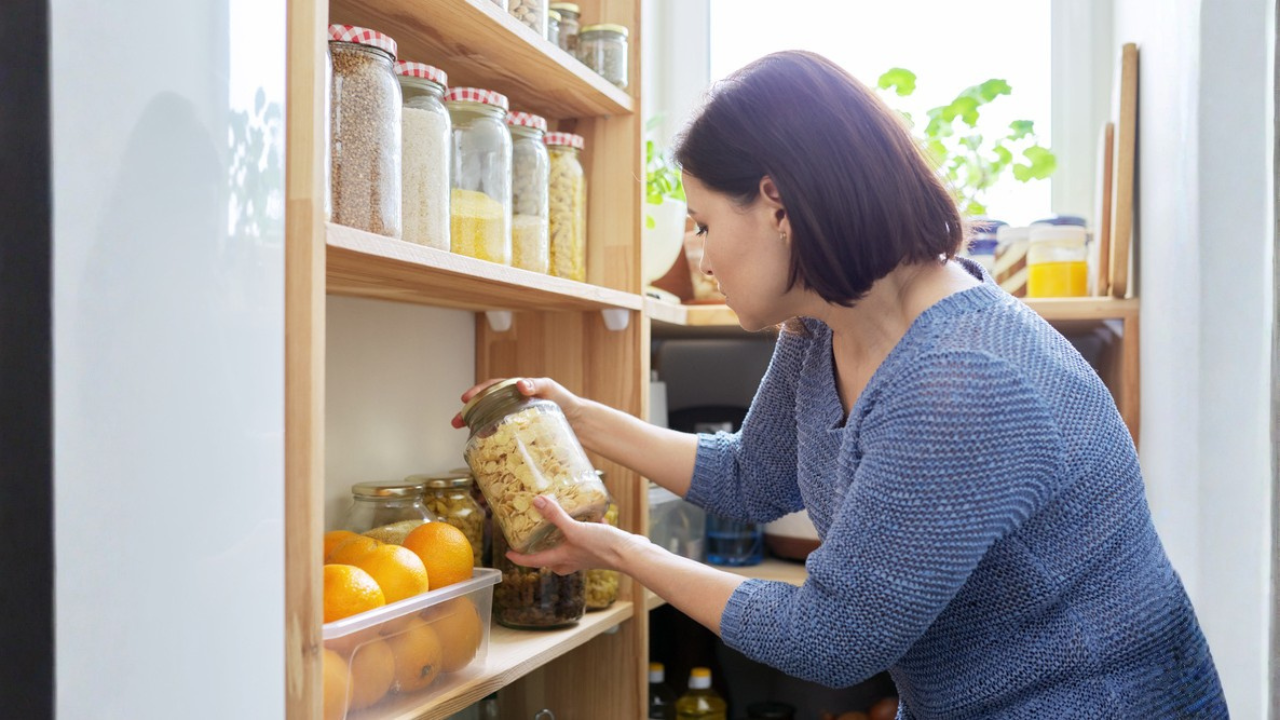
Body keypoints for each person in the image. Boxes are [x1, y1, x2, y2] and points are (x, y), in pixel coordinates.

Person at [453, 51, 1227, 718]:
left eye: (700, 221)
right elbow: (753, 476)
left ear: (777, 204)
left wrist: (621, 551)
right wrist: (580, 420)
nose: (701, 254)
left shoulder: (962, 382)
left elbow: (830, 638)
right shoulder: (825, 321)